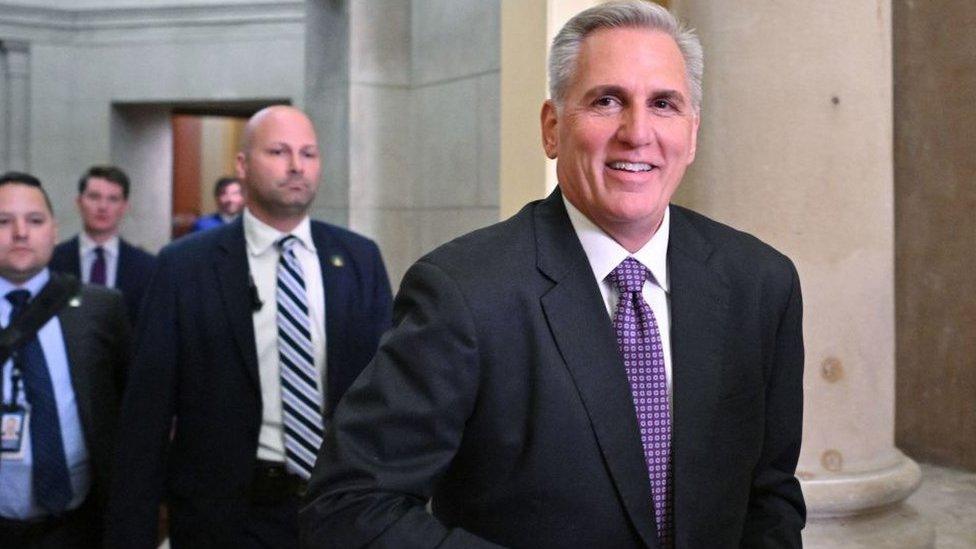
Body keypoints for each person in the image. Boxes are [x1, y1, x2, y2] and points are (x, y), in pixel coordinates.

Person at [301, 2, 805, 547]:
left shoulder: (760, 284)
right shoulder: (463, 292)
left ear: (693, 133)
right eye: (607, 100)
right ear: (551, 128)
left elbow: (770, 499)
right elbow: (349, 507)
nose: (637, 132)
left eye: (664, 104)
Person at [106, 106, 393, 548]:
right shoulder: (185, 267)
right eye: (278, 151)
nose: (297, 166)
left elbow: (386, 393)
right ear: (241, 166)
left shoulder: (359, 259)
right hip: (226, 519)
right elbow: (146, 416)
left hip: (340, 513)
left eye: (309, 153)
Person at [0, 172, 131, 548]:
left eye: (35, 221)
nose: (21, 232)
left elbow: (129, 406)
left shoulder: (101, 307)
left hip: (78, 526)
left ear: (55, 232)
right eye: (4, 222)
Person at [49, 166, 155, 326]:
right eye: (94, 197)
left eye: (113, 199)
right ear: (79, 202)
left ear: (125, 206)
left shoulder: (147, 267)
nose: (103, 207)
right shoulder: (52, 260)